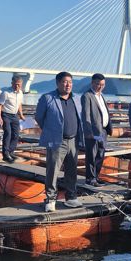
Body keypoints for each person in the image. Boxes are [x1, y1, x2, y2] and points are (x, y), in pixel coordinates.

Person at [35, 71, 84, 212]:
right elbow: (39, 117)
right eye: (64, 82)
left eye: (70, 82)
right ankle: (50, 199)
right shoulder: (48, 98)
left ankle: (71, 197)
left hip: (73, 140)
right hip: (57, 140)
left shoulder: (76, 98)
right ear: (57, 83)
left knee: (72, 170)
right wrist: (50, 131)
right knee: (53, 170)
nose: (68, 85)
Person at [81, 73, 113, 186]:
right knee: (91, 155)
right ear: (92, 83)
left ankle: (96, 176)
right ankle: (90, 179)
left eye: (103, 84)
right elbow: (86, 115)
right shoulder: (87, 96)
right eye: (98, 84)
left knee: (100, 154)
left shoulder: (101, 95)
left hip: (103, 131)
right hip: (93, 132)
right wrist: (88, 132)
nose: (100, 87)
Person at [0, 74, 25, 162]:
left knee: (16, 134)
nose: (17, 86)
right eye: (15, 84)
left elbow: (19, 104)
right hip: (5, 114)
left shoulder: (20, 93)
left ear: (21, 84)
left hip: (14, 116)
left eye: (19, 84)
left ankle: (11, 152)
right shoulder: (6, 93)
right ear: (12, 83)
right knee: (8, 133)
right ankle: (5, 154)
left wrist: (21, 114)